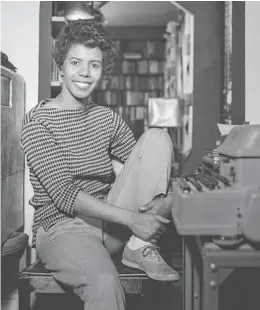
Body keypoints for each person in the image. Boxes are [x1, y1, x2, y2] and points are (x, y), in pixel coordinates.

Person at [20, 20, 179, 310]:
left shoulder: (107, 119)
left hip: (110, 223)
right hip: (62, 229)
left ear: (102, 72)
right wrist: (134, 220)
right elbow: (65, 195)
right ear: (61, 67)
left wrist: (166, 199)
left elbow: (144, 168)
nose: (84, 72)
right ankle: (138, 238)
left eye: (94, 65)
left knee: (158, 137)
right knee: (105, 283)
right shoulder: (37, 122)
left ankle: (139, 246)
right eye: (76, 62)